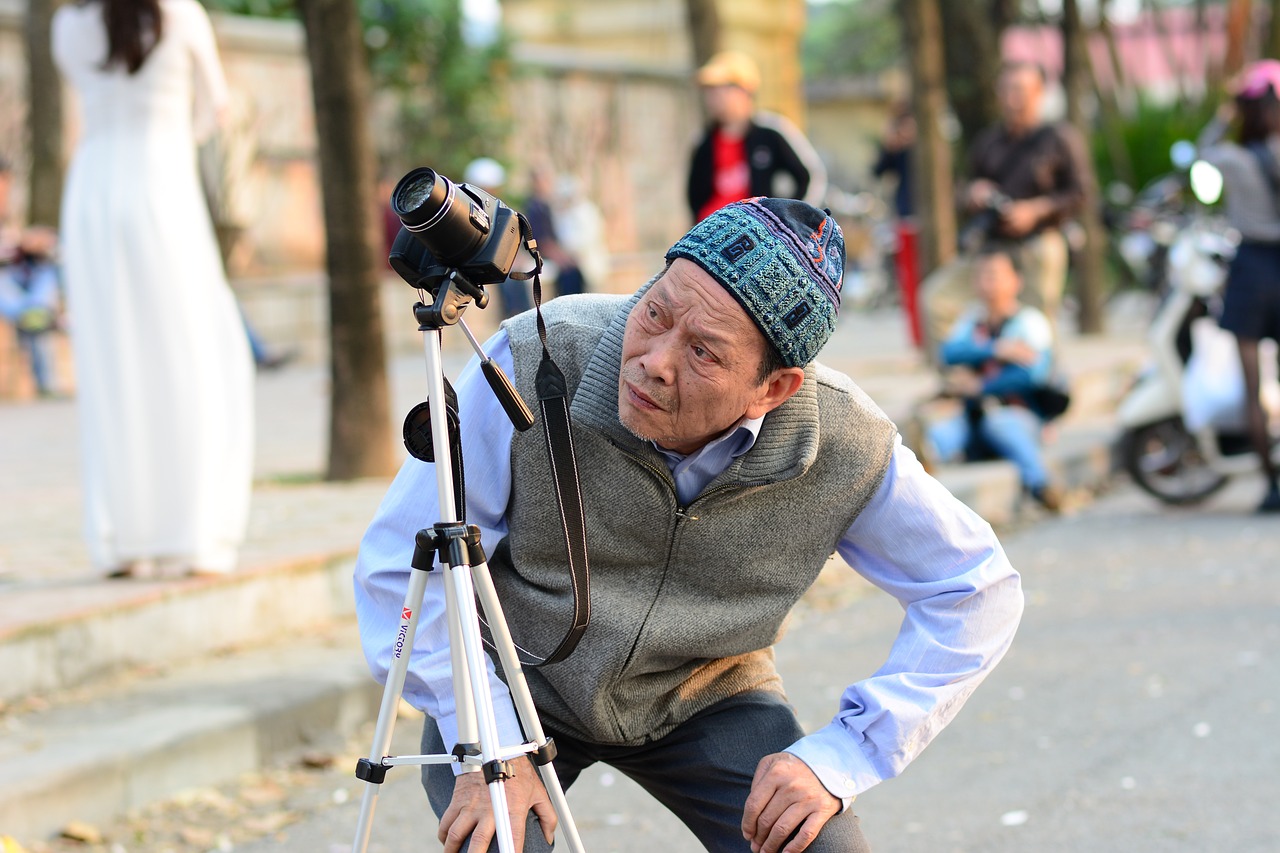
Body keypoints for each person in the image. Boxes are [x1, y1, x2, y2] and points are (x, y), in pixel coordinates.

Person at [354, 197, 1025, 851]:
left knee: (821, 846)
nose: (654, 359)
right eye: (656, 311)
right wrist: (493, 747)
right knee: (500, 834)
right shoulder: (535, 356)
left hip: (704, 690)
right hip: (515, 678)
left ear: (773, 389)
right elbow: (397, 563)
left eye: (704, 352)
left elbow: (977, 588)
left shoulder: (844, 442)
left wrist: (845, 756)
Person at [53, 0, 254, 578]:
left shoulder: (67, 25)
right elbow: (217, 107)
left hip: (90, 195)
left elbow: (83, 111)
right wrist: (176, 133)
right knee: (194, 356)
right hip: (161, 186)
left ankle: (122, 539)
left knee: (110, 367)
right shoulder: (179, 13)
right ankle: (193, 534)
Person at [920, 61, 1088, 359]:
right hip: (993, 245)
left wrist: (1035, 210)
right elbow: (963, 190)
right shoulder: (989, 141)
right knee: (937, 299)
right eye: (1006, 90)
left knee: (1038, 322)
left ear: (1039, 93)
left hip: (1039, 243)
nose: (1012, 98)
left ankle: (1038, 380)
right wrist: (974, 193)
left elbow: (1080, 193)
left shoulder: (1058, 138)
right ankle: (959, 373)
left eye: (1020, 90)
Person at [1196, 59, 1280, 513]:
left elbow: (1201, 151)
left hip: (1249, 268)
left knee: (1253, 386)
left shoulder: (1231, 157)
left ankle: (1271, 486)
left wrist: (1225, 111)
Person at [923, 249, 1063, 512]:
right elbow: (950, 352)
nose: (987, 284)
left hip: (1018, 414)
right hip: (973, 418)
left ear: (1016, 281)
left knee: (1001, 424)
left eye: (995, 276)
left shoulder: (1030, 322)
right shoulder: (972, 320)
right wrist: (997, 349)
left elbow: (1032, 374)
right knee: (940, 435)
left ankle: (1041, 485)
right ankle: (922, 484)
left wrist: (982, 386)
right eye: (982, 276)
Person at [687, 50, 827, 223]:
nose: (713, 97)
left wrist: (790, 222)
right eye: (709, 90)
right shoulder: (703, 141)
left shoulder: (771, 133)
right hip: (714, 233)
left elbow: (809, 177)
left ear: (745, 91)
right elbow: (694, 197)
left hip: (758, 232)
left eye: (721, 89)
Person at [872, 103, 923, 348]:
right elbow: (878, 170)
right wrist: (890, 146)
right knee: (909, 282)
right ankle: (917, 340)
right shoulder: (900, 152)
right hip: (906, 218)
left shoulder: (929, 149)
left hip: (927, 221)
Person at [463, 157, 533, 320]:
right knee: (506, 279)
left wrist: (518, 257)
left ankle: (526, 317)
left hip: (506, 261)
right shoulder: (469, 211)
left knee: (517, 275)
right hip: (483, 262)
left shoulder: (502, 209)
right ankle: (511, 316)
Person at [0, 227, 63, 397]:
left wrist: (41, 249)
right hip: (18, 307)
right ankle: (32, 314)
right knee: (3, 281)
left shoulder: (46, 261)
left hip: (35, 308)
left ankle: (33, 313)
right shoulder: (11, 254)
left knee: (46, 277)